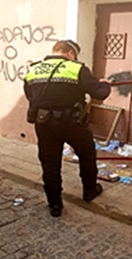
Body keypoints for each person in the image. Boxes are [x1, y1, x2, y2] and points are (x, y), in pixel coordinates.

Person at [24, 40, 111, 217]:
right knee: (86, 155)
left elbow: (29, 95)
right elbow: (100, 93)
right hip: (72, 123)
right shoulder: (76, 68)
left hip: (44, 123)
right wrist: (104, 84)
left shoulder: (33, 69)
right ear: (70, 53)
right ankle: (89, 190)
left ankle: (55, 206)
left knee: (50, 164)